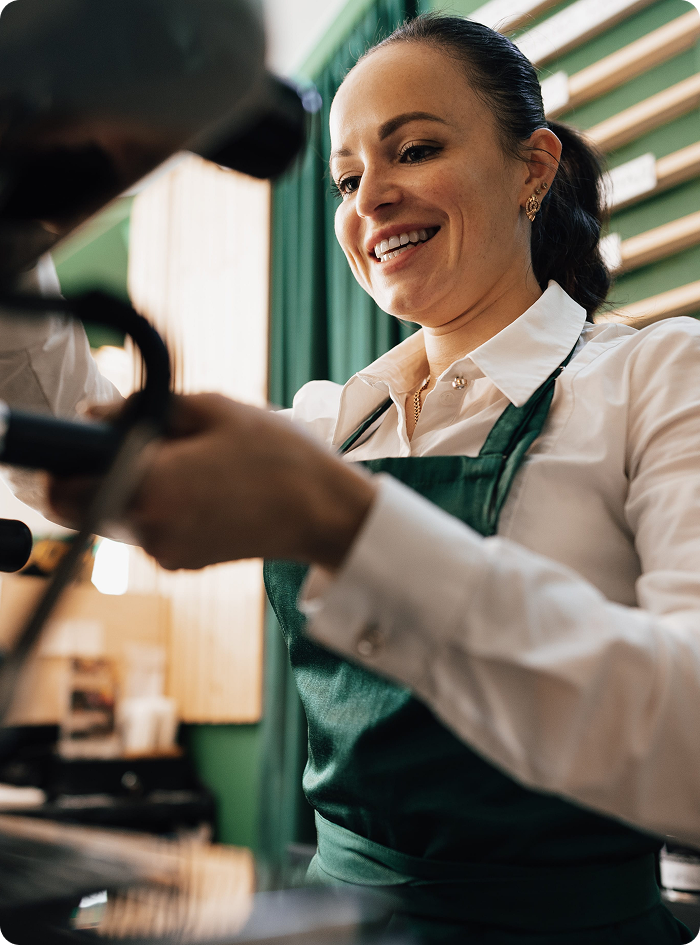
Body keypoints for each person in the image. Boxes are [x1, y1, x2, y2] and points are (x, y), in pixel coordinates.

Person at [14, 12, 700, 944]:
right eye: (345, 178)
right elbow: (65, 432)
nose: (370, 197)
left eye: (413, 149)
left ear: (532, 168)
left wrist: (342, 518)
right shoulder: (331, 418)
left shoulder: (656, 379)